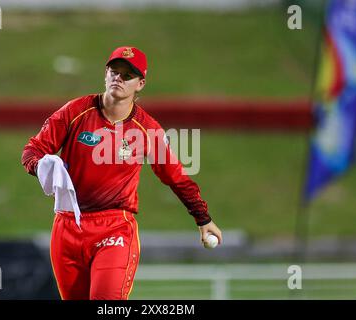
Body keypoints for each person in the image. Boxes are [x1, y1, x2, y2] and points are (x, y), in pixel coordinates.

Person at [21, 46, 222, 300]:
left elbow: (176, 176)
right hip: (67, 225)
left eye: (127, 75)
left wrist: (202, 218)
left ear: (140, 83)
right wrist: (41, 167)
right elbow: (32, 150)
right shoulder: (74, 112)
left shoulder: (147, 129)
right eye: (114, 71)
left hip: (114, 227)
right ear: (105, 74)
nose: (119, 78)